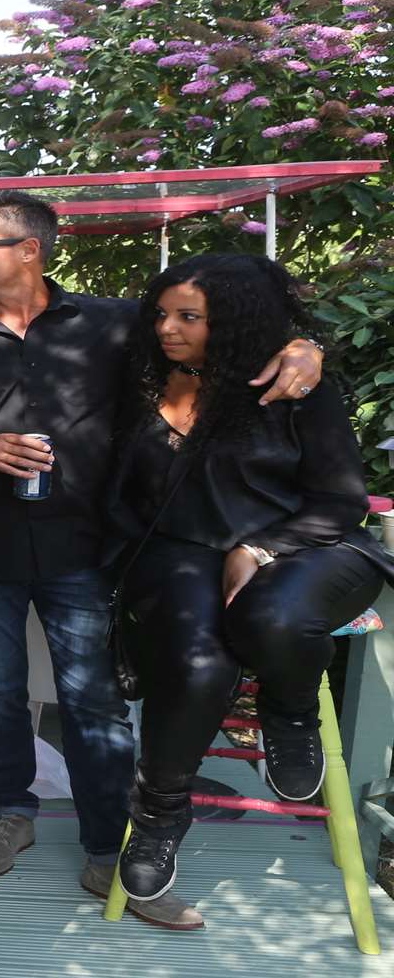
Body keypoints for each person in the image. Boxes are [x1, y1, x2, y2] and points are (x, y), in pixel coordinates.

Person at [0, 191, 323, 928]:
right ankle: (11, 810)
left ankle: (110, 844)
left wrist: (302, 348)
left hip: (90, 546)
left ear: (28, 250)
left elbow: (214, 341)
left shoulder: (113, 324)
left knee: (95, 702)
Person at [107, 252, 394, 912]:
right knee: (199, 663)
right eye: (159, 313)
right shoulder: (143, 379)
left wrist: (261, 548)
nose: (166, 327)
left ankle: (289, 712)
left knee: (273, 617)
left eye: (189, 316)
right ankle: (158, 816)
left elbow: (339, 499)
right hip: (179, 553)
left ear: (235, 319)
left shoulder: (292, 386)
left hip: (310, 546)